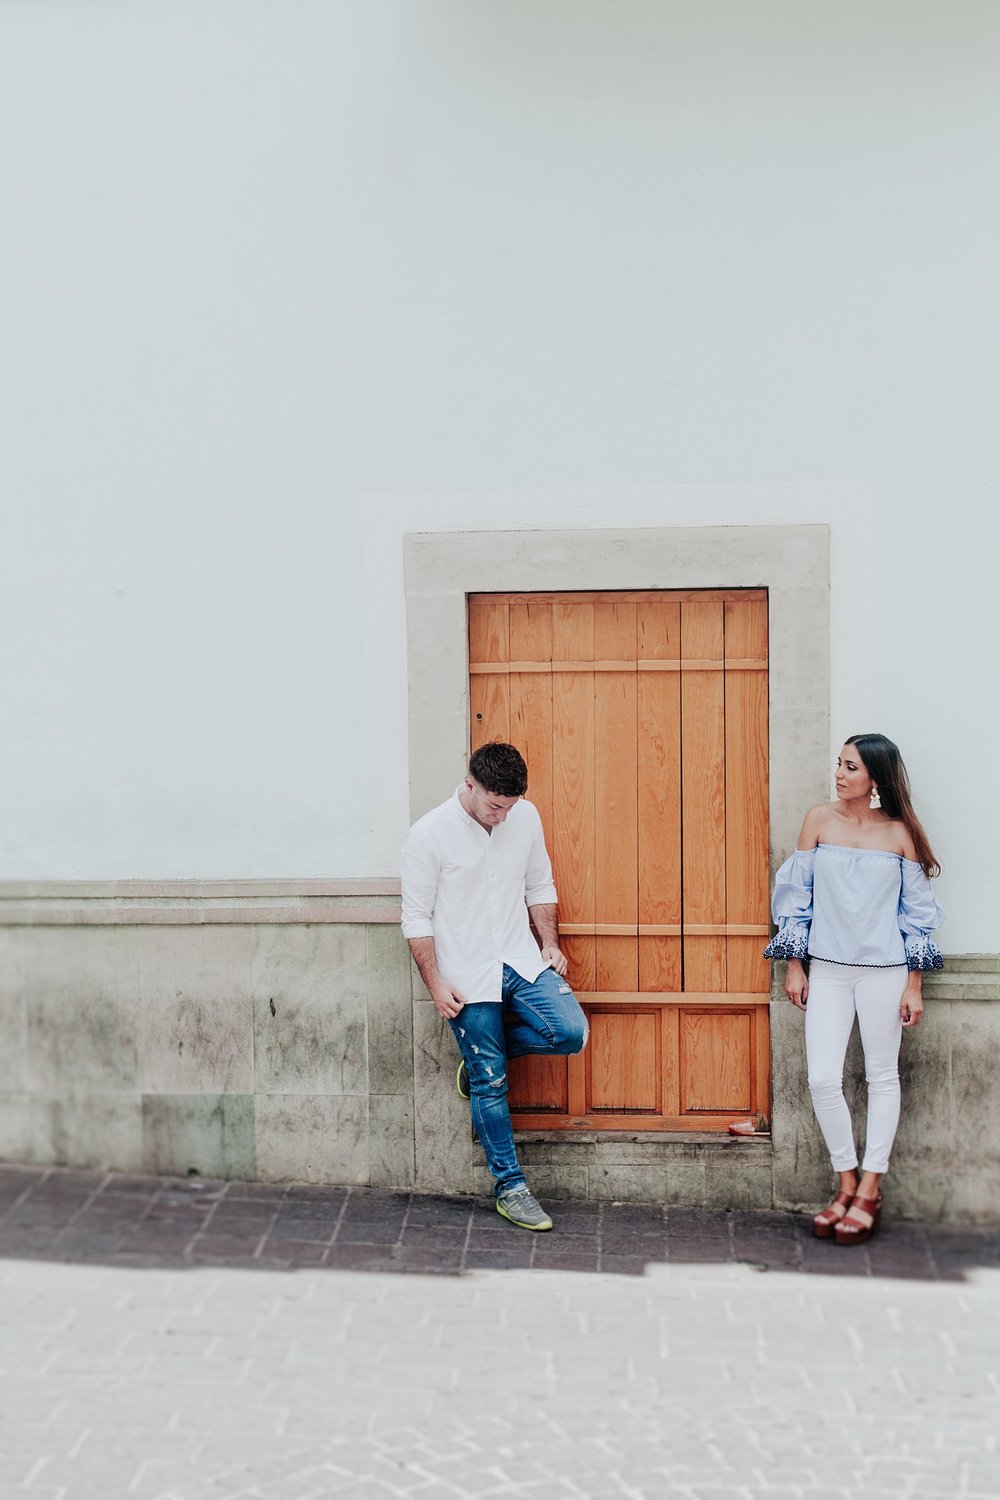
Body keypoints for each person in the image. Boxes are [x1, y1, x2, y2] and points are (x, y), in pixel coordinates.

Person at [764, 733, 944, 1245]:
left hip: (886, 971)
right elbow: (795, 898)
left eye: (850, 767)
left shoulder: (901, 833)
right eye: (839, 764)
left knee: (881, 1075)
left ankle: (870, 1188)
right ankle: (844, 1180)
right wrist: (793, 967)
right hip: (828, 969)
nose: (839, 774)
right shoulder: (819, 820)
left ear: (876, 778)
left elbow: (918, 917)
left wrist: (915, 984)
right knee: (823, 1078)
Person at [400, 742, 588, 1232]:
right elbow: (416, 918)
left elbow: (539, 885)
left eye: (510, 805)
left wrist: (550, 942)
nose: (503, 816)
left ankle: (485, 1057)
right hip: (464, 973)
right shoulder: (429, 834)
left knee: (570, 1032)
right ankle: (511, 1188)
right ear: (470, 785)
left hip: (520, 960)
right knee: (491, 1082)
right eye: (494, 805)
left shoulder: (524, 817)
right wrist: (436, 983)